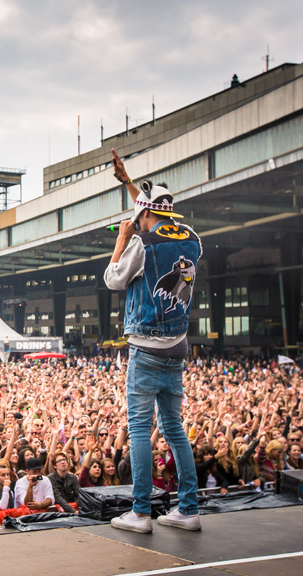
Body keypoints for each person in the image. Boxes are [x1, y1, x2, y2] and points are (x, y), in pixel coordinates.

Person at [104, 148, 202, 534]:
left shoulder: (141, 242)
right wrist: (128, 183)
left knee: (140, 428)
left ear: (143, 216)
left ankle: (141, 513)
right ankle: (188, 510)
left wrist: (123, 239)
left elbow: (113, 279)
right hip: (177, 346)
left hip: (145, 345)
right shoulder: (192, 239)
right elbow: (152, 216)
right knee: (174, 427)